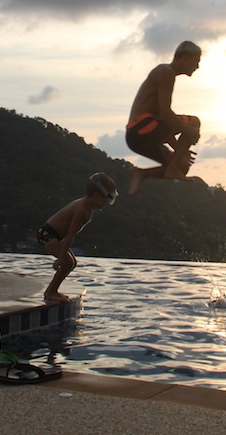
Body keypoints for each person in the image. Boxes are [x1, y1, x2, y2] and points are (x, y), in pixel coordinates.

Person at [125, 40, 202, 195]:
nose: (197, 66)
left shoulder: (167, 73)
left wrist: (179, 150)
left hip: (140, 137)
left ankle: (142, 174)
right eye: (196, 61)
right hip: (140, 129)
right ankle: (171, 169)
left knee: (182, 166)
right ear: (186, 56)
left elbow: (160, 123)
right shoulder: (165, 72)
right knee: (194, 122)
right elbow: (165, 114)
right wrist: (190, 131)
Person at [37, 172, 118, 302]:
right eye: (108, 198)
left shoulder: (88, 209)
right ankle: (50, 292)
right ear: (96, 195)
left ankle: (52, 290)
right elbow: (70, 234)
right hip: (47, 234)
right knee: (68, 262)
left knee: (72, 263)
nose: (108, 203)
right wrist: (61, 258)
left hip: (56, 235)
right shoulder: (81, 209)